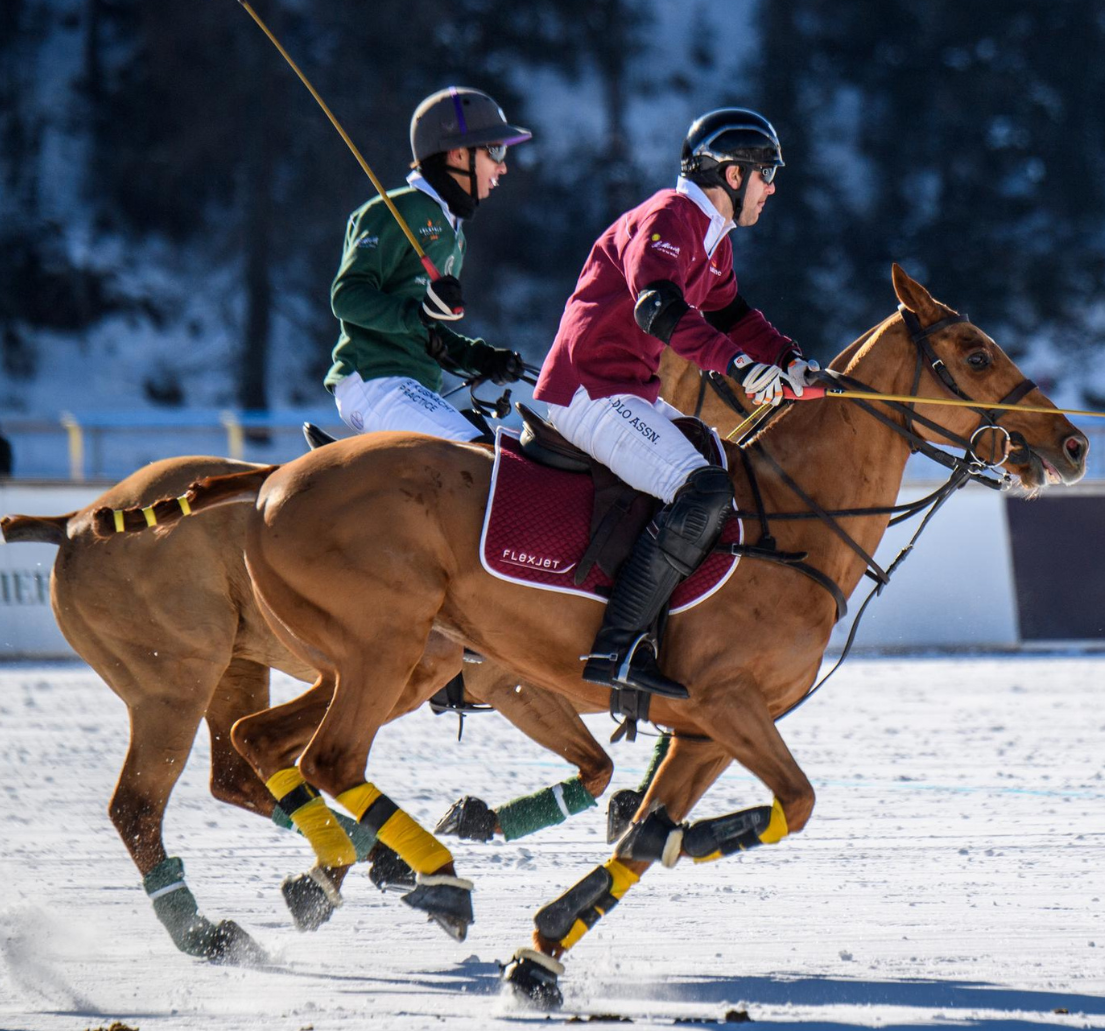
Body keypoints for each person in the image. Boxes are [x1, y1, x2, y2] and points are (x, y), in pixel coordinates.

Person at [533, 107, 818, 699]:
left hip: (628, 390)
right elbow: (656, 308)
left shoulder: (713, 240)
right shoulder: (670, 216)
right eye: (766, 173)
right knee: (703, 489)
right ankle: (616, 646)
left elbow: (735, 316)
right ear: (732, 176)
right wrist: (738, 367)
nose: (772, 187)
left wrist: (791, 360)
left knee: (722, 463)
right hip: (589, 389)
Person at [325, 87, 532, 441]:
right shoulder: (397, 211)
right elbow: (346, 297)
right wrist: (418, 314)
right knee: (477, 455)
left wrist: (480, 358)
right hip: (373, 379)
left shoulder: (454, 232)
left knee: (502, 449)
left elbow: (425, 330)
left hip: (414, 385)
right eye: (494, 151)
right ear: (455, 154)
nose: (503, 166)